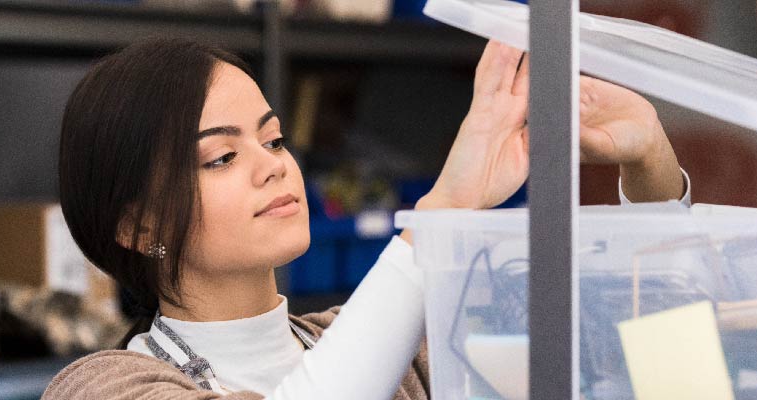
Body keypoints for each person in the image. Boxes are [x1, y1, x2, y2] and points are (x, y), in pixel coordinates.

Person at [43, 37, 689, 400]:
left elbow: (636, 342)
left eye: (273, 141)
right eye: (220, 157)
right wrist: (442, 213)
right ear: (138, 227)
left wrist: (649, 163)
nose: (272, 166)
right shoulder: (105, 388)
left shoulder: (398, 351)